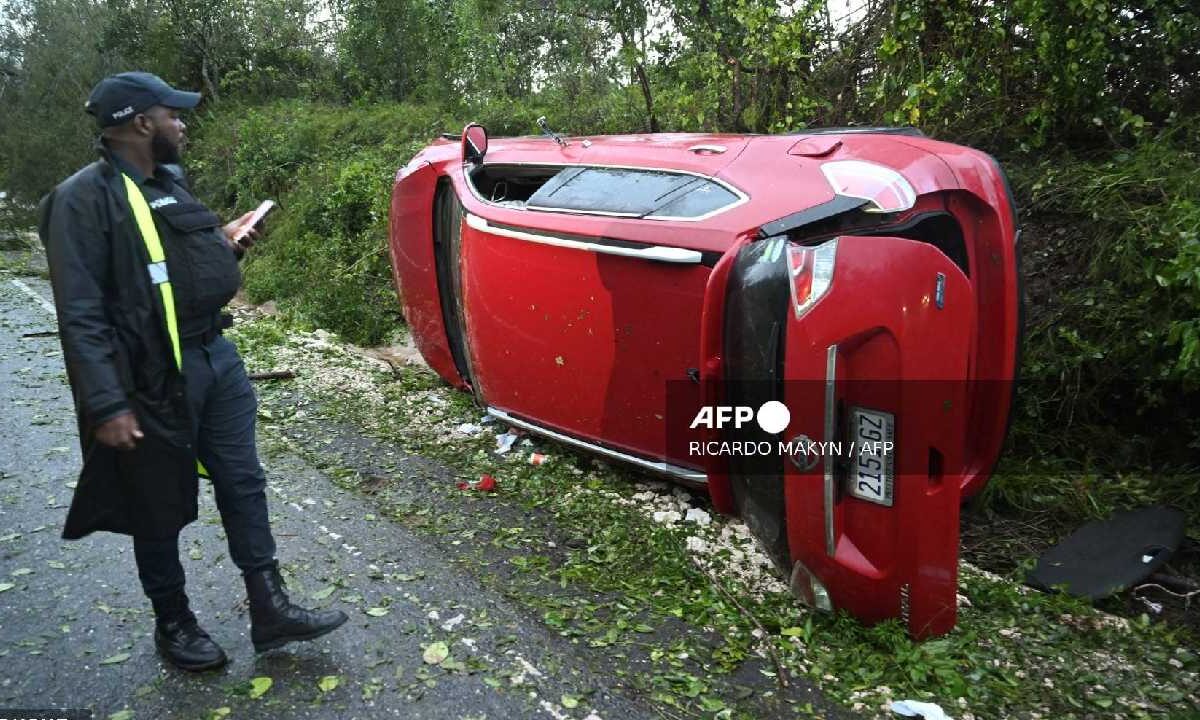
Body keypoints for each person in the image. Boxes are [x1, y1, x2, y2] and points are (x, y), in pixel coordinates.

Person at [38, 71, 347, 671]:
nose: (182, 123)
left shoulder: (169, 181)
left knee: (243, 481)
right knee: (155, 500)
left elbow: (173, 258)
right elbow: (79, 311)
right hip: (149, 376)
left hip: (216, 358)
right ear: (140, 124)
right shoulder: (82, 199)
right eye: (172, 114)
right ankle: (174, 623)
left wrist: (224, 240)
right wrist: (106, 404)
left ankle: (270, 607)